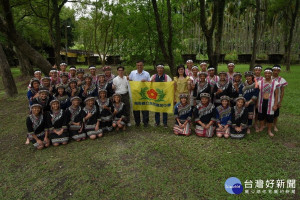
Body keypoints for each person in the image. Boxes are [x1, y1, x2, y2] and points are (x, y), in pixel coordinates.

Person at [257, 68, 279, 137]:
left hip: (271, 102)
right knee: (261, 115)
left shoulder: (275, 83)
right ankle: (261, 126)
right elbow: (257, 93)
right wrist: (257, 103)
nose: (267, 74)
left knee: (270, 116)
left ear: (271, 74)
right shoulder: (260, 82)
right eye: (266, 73)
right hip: (261, 101)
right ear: (264, 73)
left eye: (269, 73)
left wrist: (275, 104)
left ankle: (269, 130)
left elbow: (276, 95)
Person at [129, 60, 151, 127]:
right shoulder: (132, 73)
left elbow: (150, 84)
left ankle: (145, 122)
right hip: (135, 94)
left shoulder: (146, 74)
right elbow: (129, 81)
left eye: (141, 65)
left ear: (143, 66)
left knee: (145, 108)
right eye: (138, 65)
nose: (139, 67)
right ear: (136, 66)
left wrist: (146, 81)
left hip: (144, 94)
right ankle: (137, 122)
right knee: (136, 109)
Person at [272, 65, 288, 132]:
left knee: (276, 114)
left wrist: (280, 102)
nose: (276, 72)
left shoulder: (281, 80)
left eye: (277, 71)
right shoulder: (268, 77)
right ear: (272, 71)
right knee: (267, 112)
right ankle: (266, 124)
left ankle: (274, 125)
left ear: (279, 71)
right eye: (274, 70)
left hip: (277, 99)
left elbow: (282, 92)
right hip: (268, 99)